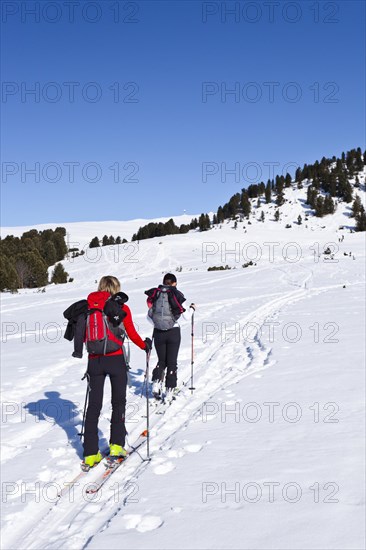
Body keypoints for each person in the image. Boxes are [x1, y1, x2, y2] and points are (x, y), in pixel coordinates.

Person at [82, 276, 151, 468]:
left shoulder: (89, 307)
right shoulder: (121, 307)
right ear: (116, 288)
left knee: (93, 406)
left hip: (94, 361)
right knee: (118, 402)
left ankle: (90, 453)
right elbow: (130, 332)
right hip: (115, 359)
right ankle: (116, 445)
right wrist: (144, 346)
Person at [145, 273, 187, 398]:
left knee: (162, 360)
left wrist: (157, 324)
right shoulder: (176, 294)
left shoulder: (156, 294)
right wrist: (193, 309)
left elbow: (149, 316)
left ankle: (156, 383)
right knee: (172, 362)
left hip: (158, 332)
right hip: (173, 332)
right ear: (174, 283)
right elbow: (186, 315)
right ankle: (169, 391)